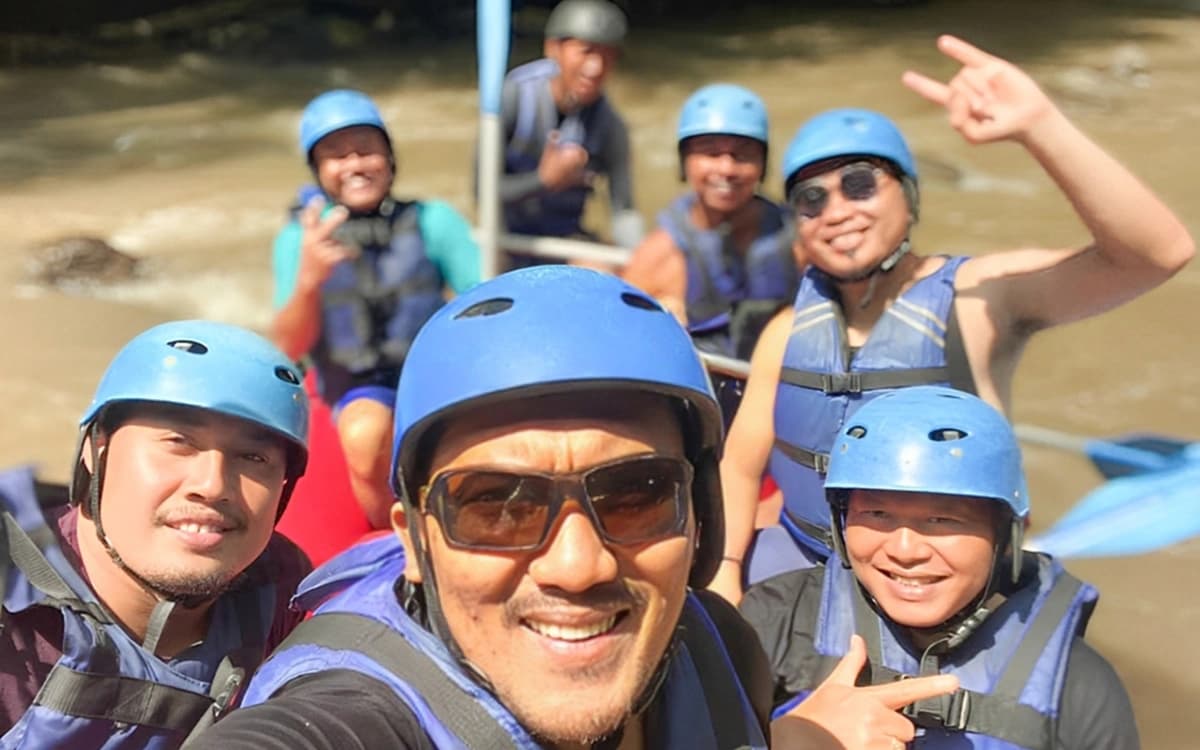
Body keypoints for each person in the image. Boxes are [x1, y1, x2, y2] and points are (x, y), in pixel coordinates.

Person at [188, 267, 957, 750]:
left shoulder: (722, 651)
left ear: (699, 522)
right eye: (495, 507)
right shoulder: (353, 720)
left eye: (637, 494)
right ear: (416, 544)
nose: (577, 565)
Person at [715, 34, 1195, 601]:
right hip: (802, 566)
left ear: (910, 197)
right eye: (812, 200)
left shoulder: (978, 300)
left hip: (936, 594)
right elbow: (741, 469)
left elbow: (1154, 255)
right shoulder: (785, 332)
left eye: (861, 183)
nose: (837, 210)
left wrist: (1039, 125)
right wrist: (725, 572)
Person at [741, 386, 1140, 749]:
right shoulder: (775, 621)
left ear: (1008, 535)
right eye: (876, 513)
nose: (904, 550)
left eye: (942, 520)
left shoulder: (1079, 688)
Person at [0, 320, 312, 748]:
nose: (214, 485)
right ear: (97, 452)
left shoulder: (284, 593)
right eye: (179, 442)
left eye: (254, 456)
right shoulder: (13, 616)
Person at [271, 88, 480, 530]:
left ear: (389, 157)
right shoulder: (300, 240)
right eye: (336, 156)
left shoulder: (433, 220)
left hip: (432, 373)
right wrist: (309, 279)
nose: (355, 165)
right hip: (356, 385)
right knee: (366, 435)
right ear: (318, 171)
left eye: (366, 150)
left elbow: (483, 301)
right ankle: (397, 540)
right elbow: (288, 347)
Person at [623, 83, 801, 362]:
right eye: (710, 153)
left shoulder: (800, 239)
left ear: (762, 165)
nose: (726, 169)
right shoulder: (659, 257)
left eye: (742, 155)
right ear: (685, 162)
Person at [496, 0, 643, 262]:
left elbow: (624, 210)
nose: (596, 67)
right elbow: (481, 192)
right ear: (553, 48)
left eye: (607, 55)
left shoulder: (611, 126)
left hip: (566, 243)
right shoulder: (513, 98)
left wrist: (640, 256)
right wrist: (543, 181)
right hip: (509, 242)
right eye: (586, 51)